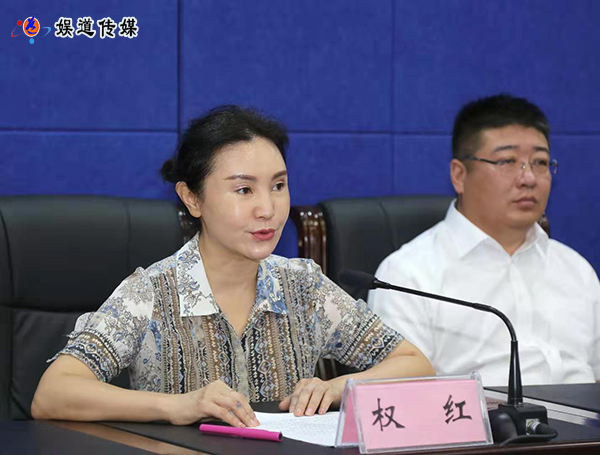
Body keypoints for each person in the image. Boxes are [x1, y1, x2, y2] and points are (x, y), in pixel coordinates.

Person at [32, 105, 433, 427]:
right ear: (192, 199)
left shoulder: (304, 287)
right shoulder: (151, 294)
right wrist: (177, 406)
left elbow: (414, 364)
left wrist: (337, 388)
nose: (267, 208)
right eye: (244, 189)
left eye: (278, 186)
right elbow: (53, 393)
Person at [368, 94, 600, 386]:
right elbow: (399, 395)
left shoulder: (576, 269)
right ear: (459, 175)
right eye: (507, 161)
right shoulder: (408, 275)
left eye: (540, 162)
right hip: (478, 417)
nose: (528, 178)